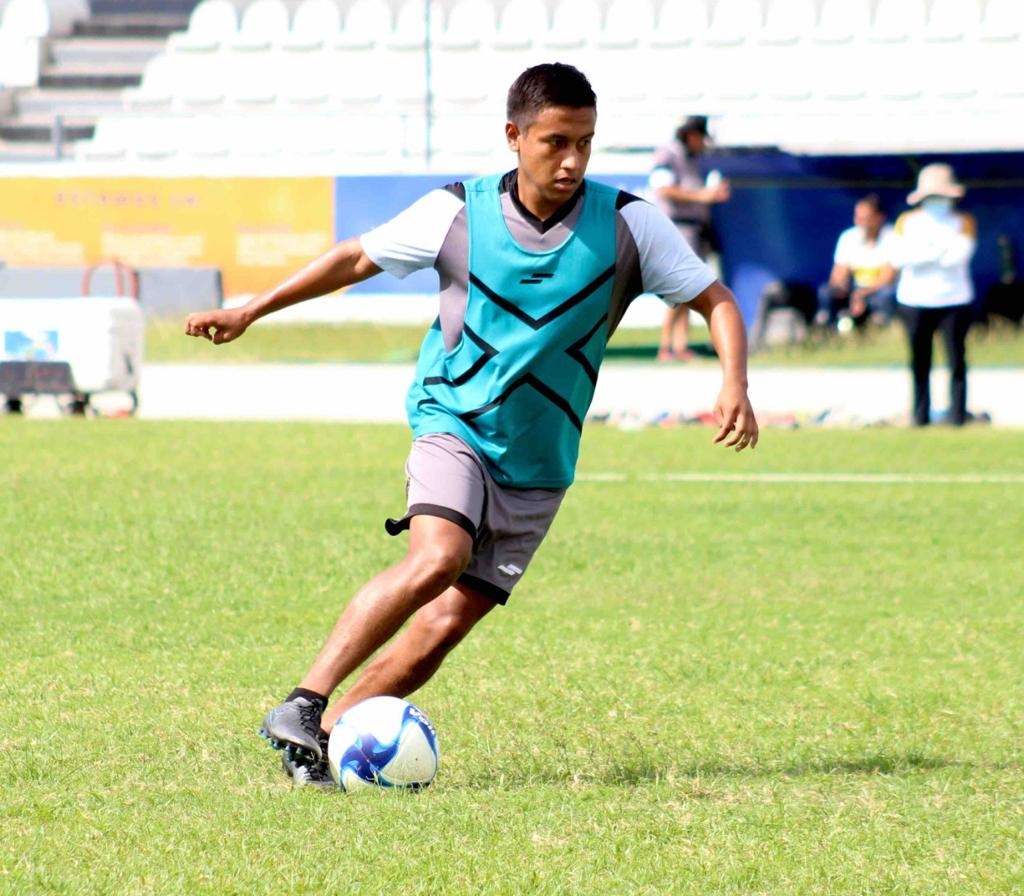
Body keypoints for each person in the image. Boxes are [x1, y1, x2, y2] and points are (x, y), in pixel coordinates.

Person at [184, 63, 759, 788]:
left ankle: (323, 745)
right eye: (556, 142)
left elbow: (717, 300)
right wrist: (249, 310)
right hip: (454, 420)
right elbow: (353, 258)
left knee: (445, 625)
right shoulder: (457, 213)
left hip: (542, 459)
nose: (573, 160)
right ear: (514, 136)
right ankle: (304, 701)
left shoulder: (628, 224)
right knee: (437, 558)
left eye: (585, 142)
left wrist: (733, 380)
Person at [889, 163, 977, 426]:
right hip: (915, 300)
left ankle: (957, 415)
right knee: (919, 362)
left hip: (954, 300)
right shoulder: (907, 222)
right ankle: (920, 415)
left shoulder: (964, 222)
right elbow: (901, 257)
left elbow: (958, 257)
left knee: (956, 361)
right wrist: (935, 251)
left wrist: (925, 252)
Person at [648, 115, 731, 361]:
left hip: (693, 230)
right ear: (691, 135)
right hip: (677, 228)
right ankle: (666, 346)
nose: (703, 145)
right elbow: (663, 189)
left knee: (689, 289)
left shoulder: (691, 159)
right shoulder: (668, 155)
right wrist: (703, 196)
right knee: (679, 288)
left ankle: (680, 345)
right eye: (701, 139)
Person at [814, 193, 897, 332]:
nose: (861, 223)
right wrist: (843, 288)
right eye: (858, 218)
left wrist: (861, 294)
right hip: (856, 289)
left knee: (886, 294)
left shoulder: (892, 237)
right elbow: (839, 273)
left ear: (879, 218)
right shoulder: (848, 237)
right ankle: (829, 329)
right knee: (826, 292)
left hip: (879, 290)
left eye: (866, 219)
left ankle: (880, 328)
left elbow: (888, 278)